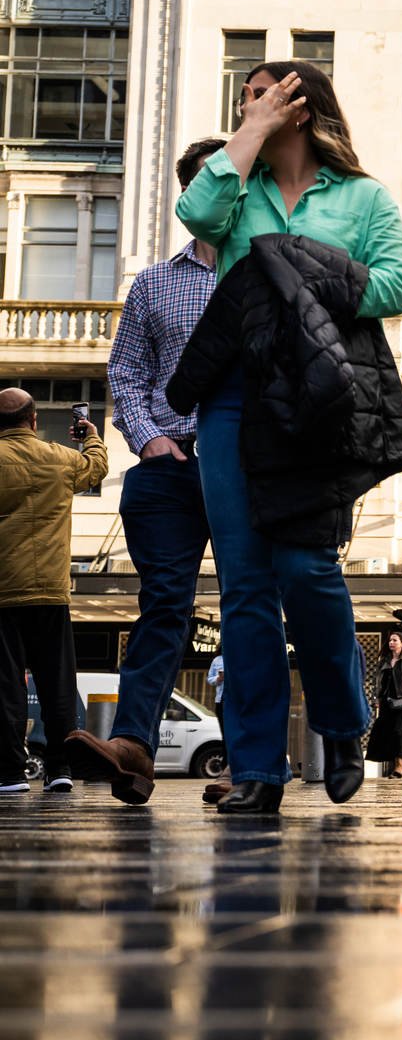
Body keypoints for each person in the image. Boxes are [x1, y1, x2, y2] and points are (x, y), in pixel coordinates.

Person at [169, 63, 402, 815]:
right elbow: (196, 211)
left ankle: (343, 724)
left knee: (307, 571)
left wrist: (304, 272)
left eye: (262, 94)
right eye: (246, 97)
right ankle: (256, 771)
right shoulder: (235, 193)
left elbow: (395, 287)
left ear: (302, 107)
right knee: (243, 590)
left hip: (315, 404)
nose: (248, 104)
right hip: (235, 399)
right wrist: (248, 132)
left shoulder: (363, 196)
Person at [63, 139, 225, 806]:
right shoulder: (156, 282)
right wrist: (150, 437)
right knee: (162, 604)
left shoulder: (271, 273)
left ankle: (251, 764)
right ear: (191, 201)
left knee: (253, 608)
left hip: (244, 467)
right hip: (167, 468)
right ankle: (132, 749)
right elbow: (126, 372)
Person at [0, 390, 108, 794]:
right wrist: (91, 435)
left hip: (4, 591)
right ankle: (59, 768)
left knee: (6, 684)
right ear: (33, 420)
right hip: (49, 589)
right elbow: (97, 466)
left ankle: (10, 774)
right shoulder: (60, 459)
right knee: (57, 683)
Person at [367, 631, 402, 776]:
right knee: (387, 733)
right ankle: (392, 766)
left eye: (395, 640)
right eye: (390, 640)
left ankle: (399, 767)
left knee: (400, 733)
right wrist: (376, 699)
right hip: (387, 703)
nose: (391, 642)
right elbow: (377, 683)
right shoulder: (384, 661)